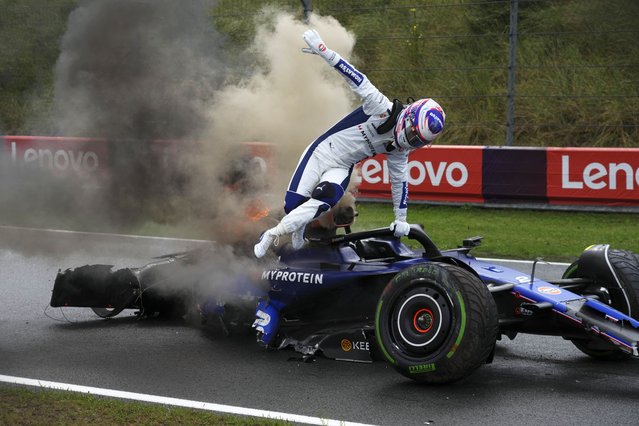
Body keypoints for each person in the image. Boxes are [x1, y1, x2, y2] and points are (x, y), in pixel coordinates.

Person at [254, 29, 446, 258]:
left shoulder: (400, 149)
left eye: (418, 141)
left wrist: (401, 219)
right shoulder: (380, 107)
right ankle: (292, 229)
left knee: (325, 200)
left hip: (341, 167)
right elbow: (354, 77)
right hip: (321, 152)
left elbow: (400, 183)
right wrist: (324, 51)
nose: (410, 141)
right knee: (292, 205)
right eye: (413, 134)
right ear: (409, 116)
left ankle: (276, 233)